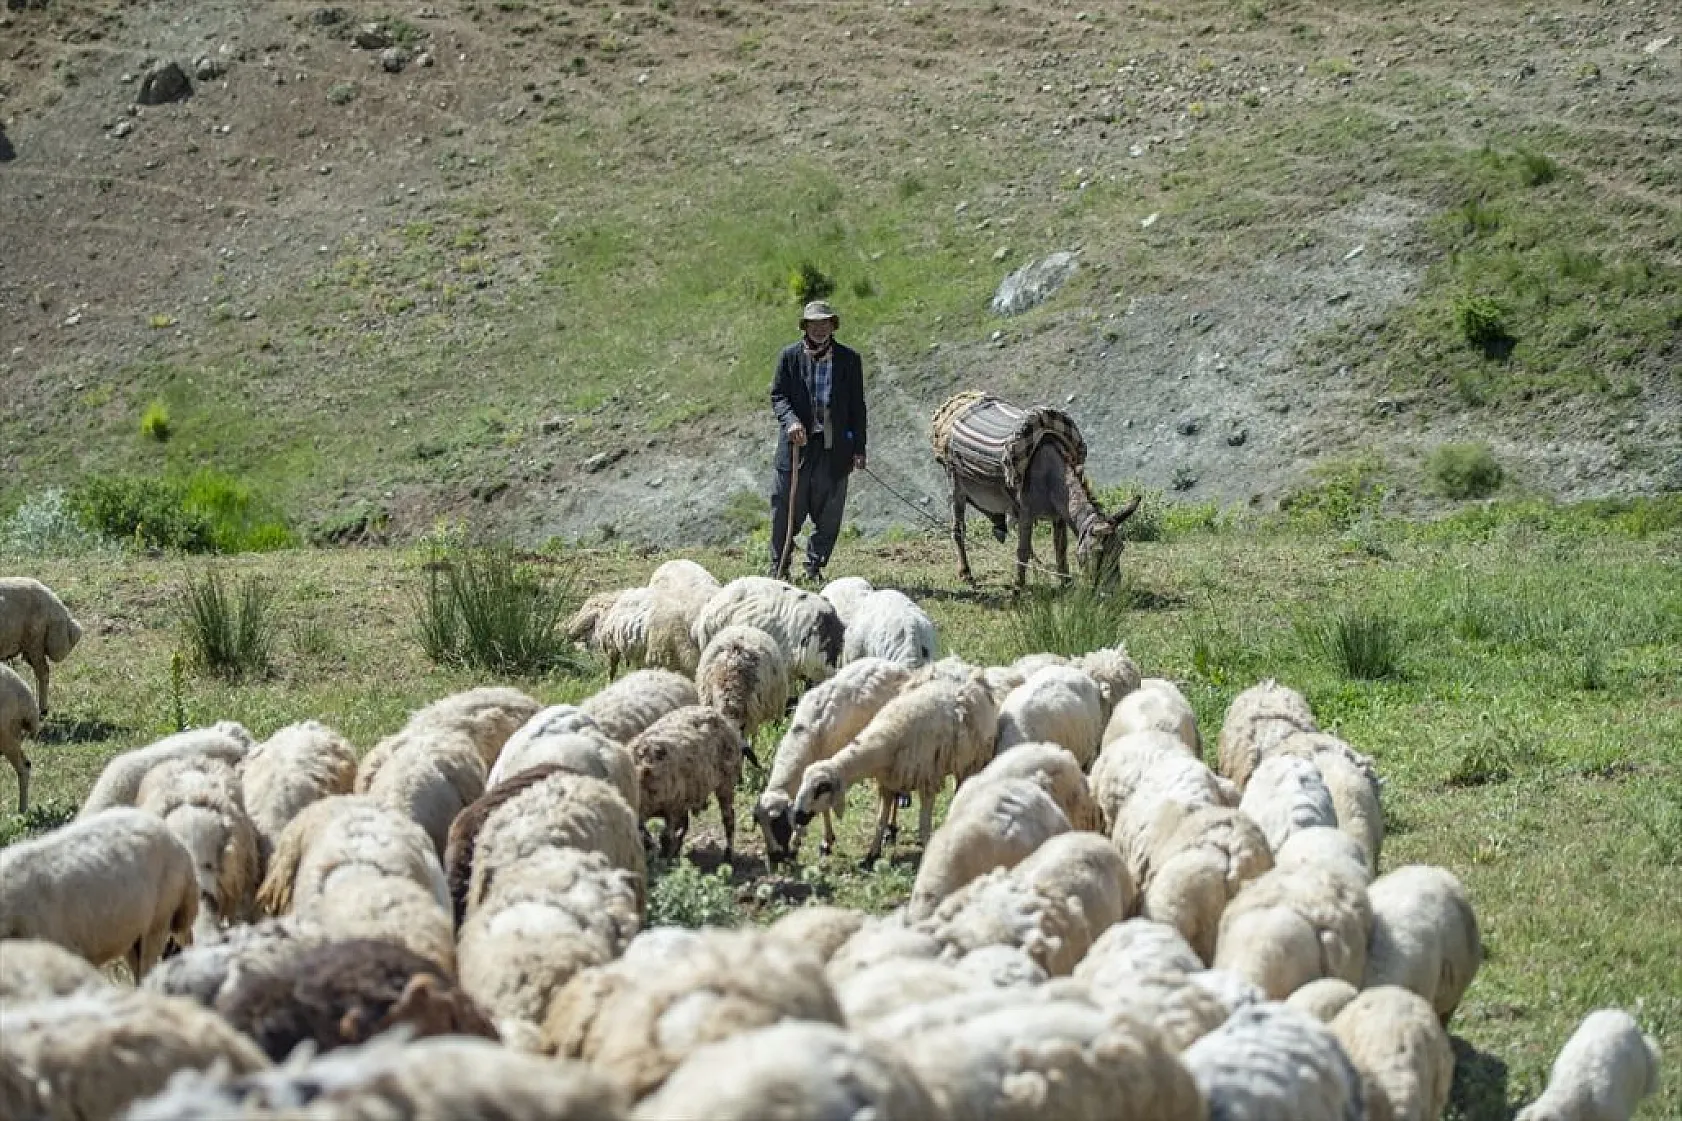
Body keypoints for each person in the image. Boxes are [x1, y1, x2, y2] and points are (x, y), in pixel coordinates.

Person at [768, 299, 867, 583]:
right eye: (814, 324)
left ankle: (813, 567)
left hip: (834, 448)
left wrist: (859, 448)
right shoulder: (789, 357)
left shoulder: (849, 359)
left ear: (833, 326)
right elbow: (778, 396)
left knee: (830, 512)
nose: (820, 329)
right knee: (786, 508)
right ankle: (779, 568)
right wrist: (791, 421)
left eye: (825, 323)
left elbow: (857, 407)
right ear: (805, 327)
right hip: (797, 447)